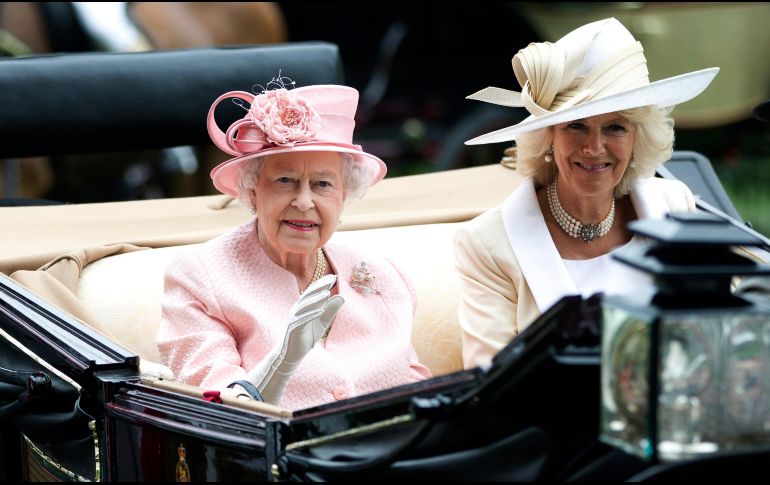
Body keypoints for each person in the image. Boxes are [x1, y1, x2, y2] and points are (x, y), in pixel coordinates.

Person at [454, 18, 720, 369]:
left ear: (638, 136)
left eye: (614, 127)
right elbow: (488, 384)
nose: (594, 148)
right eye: (576, 126)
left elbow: (715, 334)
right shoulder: (486, 245)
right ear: (548, 136)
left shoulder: (675, 206)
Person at [157, 77, 432, 410]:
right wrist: (279, 365)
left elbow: (418, 390)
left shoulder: (384, 275)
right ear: (253, 190)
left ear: (344, 196)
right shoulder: (200, 278)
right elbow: (217, 408)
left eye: (323, 184)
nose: (304, 201)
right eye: (285, 181)